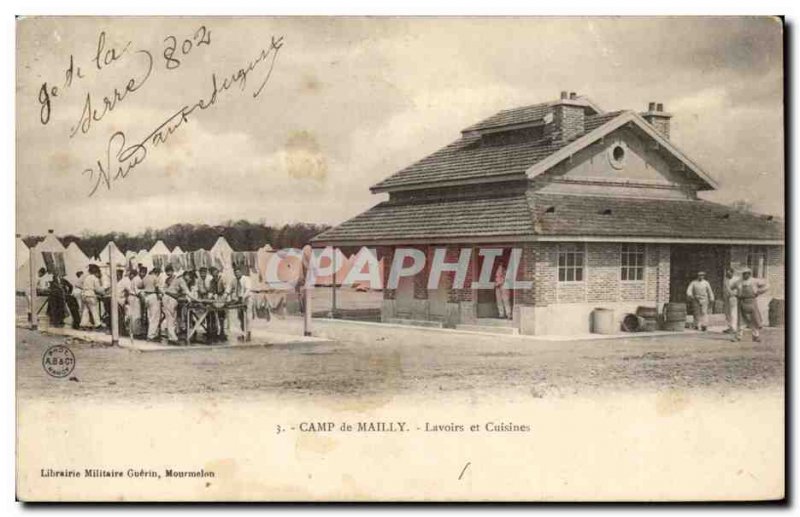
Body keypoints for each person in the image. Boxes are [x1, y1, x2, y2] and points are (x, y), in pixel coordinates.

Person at [161, 265, 196, 345]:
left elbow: (184, 293)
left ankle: (172, 337)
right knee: (170, 319)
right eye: (189, 276)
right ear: (185, 275)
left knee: (172, 319)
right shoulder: (181, 280)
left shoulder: (179, 280)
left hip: (171, 298)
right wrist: (195, 299)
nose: (190, 278)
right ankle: (172, 338)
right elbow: (187, 292)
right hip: (169, 298)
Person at [732, 267, 769, 342]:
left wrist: (758, 292)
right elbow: (730, 288)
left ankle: (756, 336)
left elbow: (767, 285)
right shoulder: (738, 282)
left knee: (754, 320)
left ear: (750, 274)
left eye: (747, 273)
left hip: (752, 302)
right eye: (744, 274)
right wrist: (735, 294)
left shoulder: (754, 281)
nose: (745, 275)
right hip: (742, 302)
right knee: (741, 321)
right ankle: (738, 337)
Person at [80, 264, 104, 329]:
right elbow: (97, 289)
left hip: (84, 294)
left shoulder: (87, 277)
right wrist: (103, 291)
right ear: (96, 272)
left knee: (86, 310)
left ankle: (83, 324)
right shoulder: (94, 278)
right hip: (90, 295)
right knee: (94, 309)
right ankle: (98, 324)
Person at [141, 266, 163, 341]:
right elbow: (157, 288)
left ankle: (151, 333)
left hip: (146, 296)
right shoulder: (155, 278)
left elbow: (141, 286)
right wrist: (159, 294)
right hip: (153, 295)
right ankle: (151, 335)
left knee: (149, 316)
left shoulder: (145, 278)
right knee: (155, 317)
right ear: (157, 272)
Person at [232, 266, 253, 340]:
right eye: (235, 273)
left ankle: (248, 334)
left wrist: (243, 297)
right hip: (239, 300)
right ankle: (243, 334)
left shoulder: (246, 279)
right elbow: (229, 288)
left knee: (247, 317)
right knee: (240, 317)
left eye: (238, 272)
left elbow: (248, 290)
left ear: (241, 272)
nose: (237, 274)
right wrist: (226, 294)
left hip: (247, 299)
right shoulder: (234, 280)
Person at [722, 267, 738, 334]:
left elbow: (739, 288)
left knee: (733, 313)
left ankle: (734, 328)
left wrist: (734, 294)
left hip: (733, 297)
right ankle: (730, 327)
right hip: (726, 298)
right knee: (727, 313)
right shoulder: (726, 279)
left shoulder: (736, 279)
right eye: (727, 273)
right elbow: (725, 288)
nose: (728, 274)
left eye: (729, 273)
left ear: (732, 273)